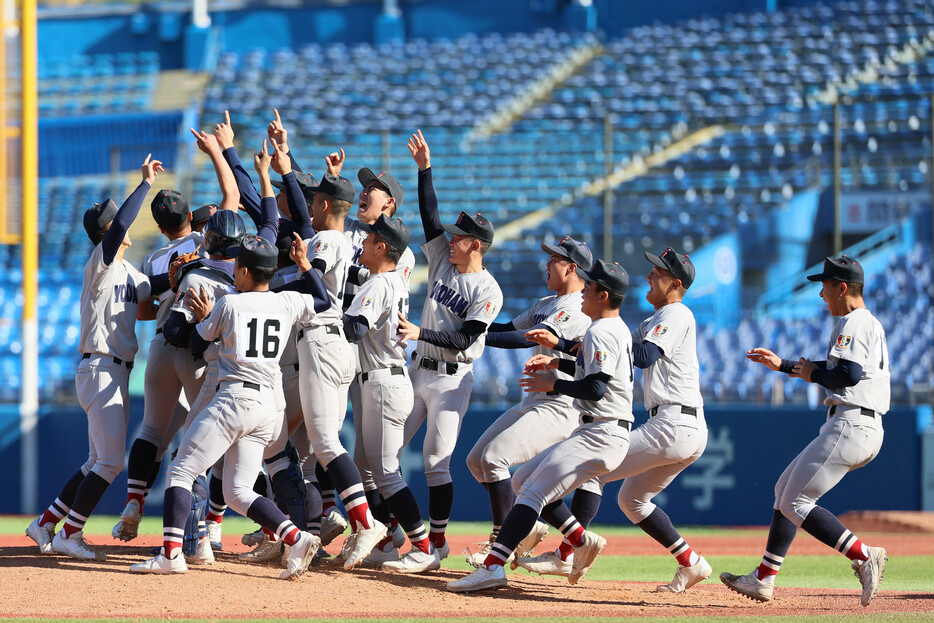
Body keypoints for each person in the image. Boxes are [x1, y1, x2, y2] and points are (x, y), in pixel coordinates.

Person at [129, 233, 330, 578]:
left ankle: (171, 555)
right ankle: (295, 538)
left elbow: (195, 340)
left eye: (239, 266)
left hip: (235, 397)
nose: (234, 270)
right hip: (270, 405)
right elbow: (323, 301)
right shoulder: (286, 302)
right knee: (237, 491)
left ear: (246, 272)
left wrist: (207, 315)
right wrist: (304, 265)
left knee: (180, 470)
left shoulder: (231, 304)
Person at [519, 247, 711, 593]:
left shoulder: (677, 313)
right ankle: (691, 562)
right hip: (682, 425)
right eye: (652, 269)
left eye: (659, 272)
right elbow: (610, 361)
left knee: (594, 471)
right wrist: (562, 348)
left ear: (676, 284)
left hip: (673, 424)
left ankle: (566, 553)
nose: (651, 275)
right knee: (632, 501)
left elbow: (641, 355)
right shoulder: (653, 319)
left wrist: (579, 343)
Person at [447, 259, 633, 593]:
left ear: (603, 295)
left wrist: (554, 383)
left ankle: (494, 565)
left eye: (590, 287)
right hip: (597, 428)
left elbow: (595, 388)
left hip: (600, 430)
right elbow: (586, 364)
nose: (584, 291)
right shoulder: (609, 328)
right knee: (518, 479)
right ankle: (579, 539)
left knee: (527, 489)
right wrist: (558, 359)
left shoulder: (601, 330)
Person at [721, 255, 888, 607]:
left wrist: (812, 374)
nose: (821, 294)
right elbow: (831, 368)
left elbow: (848, 375)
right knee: (784, 491)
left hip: (853, 421)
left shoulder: (852, 321)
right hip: (859, 422)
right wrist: (782, 365)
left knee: (796, 501)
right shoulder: (864, 322)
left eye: (825, 286)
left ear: (842, 287)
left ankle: (863, 554)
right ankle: (763, 579)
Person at [26, 155, 168, 560]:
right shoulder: (102, 264)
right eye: (115, 225)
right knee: (109, 464)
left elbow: (151, 286)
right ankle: (70, 533)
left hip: (110, 370)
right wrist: (143, 185)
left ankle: (46, 523)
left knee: (95, 462)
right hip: (102, 366)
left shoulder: (126, 271)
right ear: (108, 233)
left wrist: (182, 268)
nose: (123, 230)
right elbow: (122, 224)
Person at [114, 127, 241, 544]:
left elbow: (147, 310)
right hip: (196, 346)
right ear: (191, 217)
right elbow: (232, 199)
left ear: (160, 225)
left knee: (152, 431)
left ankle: (133, 504)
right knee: (200, 436)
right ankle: (200, 530)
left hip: (160, 349)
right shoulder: (208, 242)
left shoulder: (152, 258)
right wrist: (216, 152)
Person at [397, 130, 504, 560]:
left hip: (450, 380)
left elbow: (465, 338)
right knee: (385, 454)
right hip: (418, 368)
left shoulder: (489, 290)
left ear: (475, 245)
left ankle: (436, 545)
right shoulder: (445, 256)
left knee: (435, 460)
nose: (449, 239)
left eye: (458, 237)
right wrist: (425, 169)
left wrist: (419, 332)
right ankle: (391, 534)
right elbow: (429, 215)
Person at [463, 236, 593, 565]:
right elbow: (507, 327)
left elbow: (524, 338)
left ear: (572, 268)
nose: (548, 263)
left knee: (495, 459)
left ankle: (501, 543)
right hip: (532, 401)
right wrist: (470, 331)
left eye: (555, 259)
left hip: (559, 406)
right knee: (477, 461)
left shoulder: (576, 306)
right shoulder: (547, 302)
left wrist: (467, 336)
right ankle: (531, 527)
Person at [342, 214, 441, 573]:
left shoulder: (380, 283)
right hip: (382, 380)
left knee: (384, 474)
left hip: (383, 381)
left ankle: (423, 546)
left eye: (368, 240)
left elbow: (354, 328)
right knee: (365, 470)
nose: (363, 244)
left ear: (382, 247)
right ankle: (385, 542)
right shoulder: (392, 281)